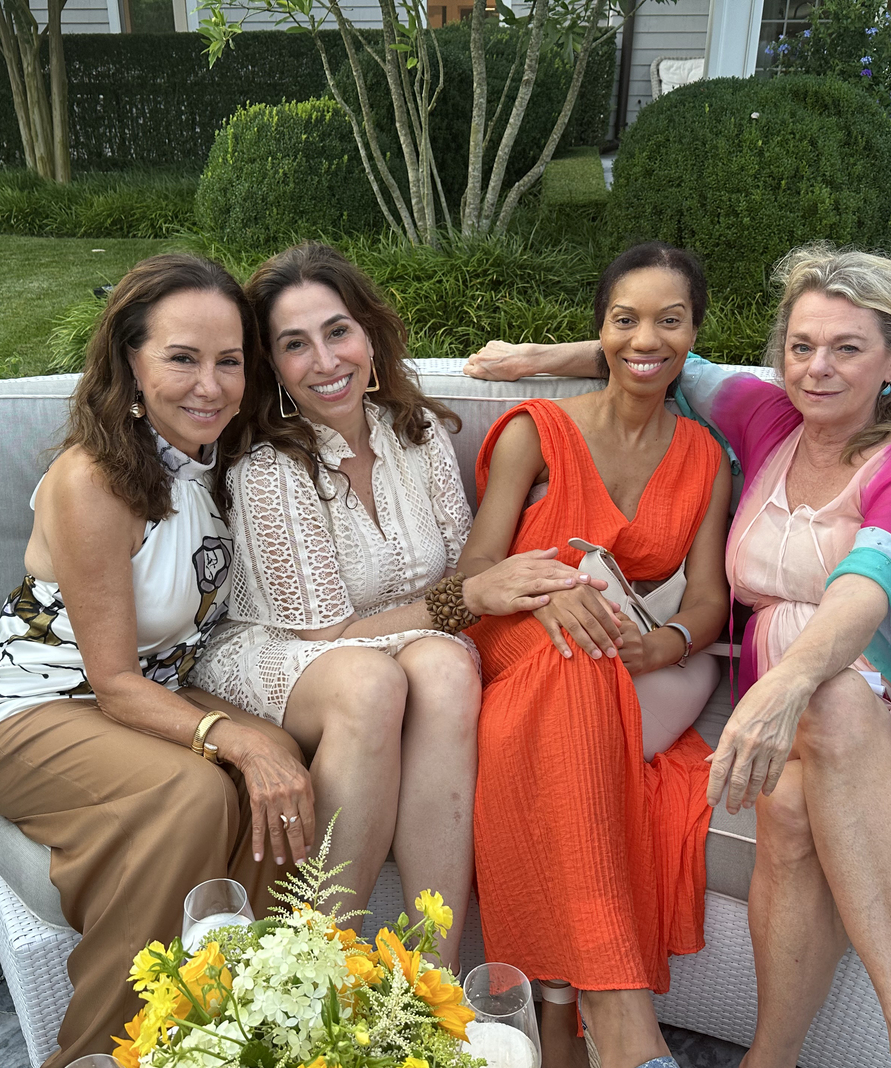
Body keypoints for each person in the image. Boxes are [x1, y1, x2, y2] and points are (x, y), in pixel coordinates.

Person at [466, 244, 891, 1068]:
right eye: (802, 345)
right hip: (804, 735)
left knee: (833, 704)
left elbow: (865, 588)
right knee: (783, 800)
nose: (819, 368)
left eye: (848, 348)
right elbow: (656, 352)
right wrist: (535, 359)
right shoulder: (770, 422)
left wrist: (778, 689)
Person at [0, 254, 317, 1068]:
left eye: (230, 360)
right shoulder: (94, 481)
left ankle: (223, 1031)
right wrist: (231, 734)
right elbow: (111, 681)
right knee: (197, 791)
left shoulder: (213, 460)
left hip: (148, 692)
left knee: (288, 768)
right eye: (182, 358)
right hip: (35, 708)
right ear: (130, 363)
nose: (211, 383)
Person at [191, 241, 604, 970]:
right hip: (278, 650)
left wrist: (513, 593)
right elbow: (332, 630)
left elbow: (454, 578)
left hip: (400, 642)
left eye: (337, 331)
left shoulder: (417, 436)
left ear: (370, 335)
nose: (325, 361)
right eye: (295, 344)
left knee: (446, 666)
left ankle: (428, 977)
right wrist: (468, 596)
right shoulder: (269, 467)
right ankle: (319, 965)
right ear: (273, 367)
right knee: (373, 678)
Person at [459, 242, 733, 1068]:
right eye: (625, 318)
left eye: (669, 319)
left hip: (623, 662)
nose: (644, 338)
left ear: (695, 332)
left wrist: (671, 644)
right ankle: (623, 1012)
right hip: (516, 637)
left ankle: (560, 1022)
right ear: (600, 329)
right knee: (571, 657)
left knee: (585, 672)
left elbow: (708, 597)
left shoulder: (705, 456)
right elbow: (478, 572)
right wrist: (544, 602)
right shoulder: (539, 431)